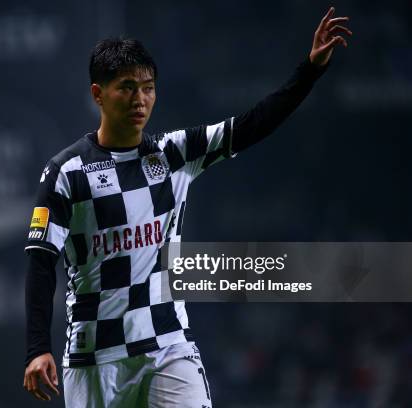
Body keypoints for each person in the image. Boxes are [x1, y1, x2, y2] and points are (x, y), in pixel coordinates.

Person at [23, 6, 351, 407]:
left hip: (168, 348)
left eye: (148, 87)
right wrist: (37, 348)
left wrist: (309, 70)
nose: (140, 99)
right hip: (96, 361)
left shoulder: (174, 154)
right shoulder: (66, 172)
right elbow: (41, 262)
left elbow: (253, 124)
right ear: (98, 94)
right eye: (127, 87)